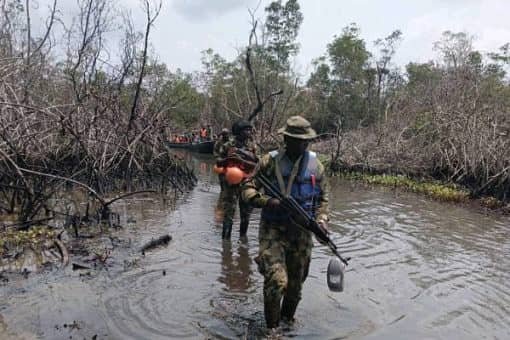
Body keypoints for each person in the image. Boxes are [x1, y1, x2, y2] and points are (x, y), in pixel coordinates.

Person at [241, 116, 329, 329]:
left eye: (305, 140)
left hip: (302, 234)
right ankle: (272, 330)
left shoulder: (316, 166)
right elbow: (246, 188)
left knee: (295, 289)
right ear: (286, 139)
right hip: (273, 230)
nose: (302, 144)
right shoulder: (268, 162)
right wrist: (266, 201)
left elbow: (323, 199)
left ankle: (287, 324)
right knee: (277, 281)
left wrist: (322, 220)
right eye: (297, 140)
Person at [216, 120, 258, 239]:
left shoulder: (252, 146)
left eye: (250, 129)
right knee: (229, 214)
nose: (249, 132)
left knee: (246, 214)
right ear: (239, 132)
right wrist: (228, 159)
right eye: (246, 130)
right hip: (231, 184)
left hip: (247, 183)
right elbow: (218, 163)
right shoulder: (228, 146)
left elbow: (258, 165)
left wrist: (242, 160)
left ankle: (243, 240)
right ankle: (226, 244)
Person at [213, 128, 231, 222]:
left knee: (230, 183)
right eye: (224, 134)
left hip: (231, 166)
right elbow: (215, 153)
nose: (226, 136)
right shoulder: (218, 143)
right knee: (222, 183)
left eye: (227, 134)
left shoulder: (231, 142)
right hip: (221, 164)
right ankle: (222, 197)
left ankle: (226, 199)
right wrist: (219, 159)